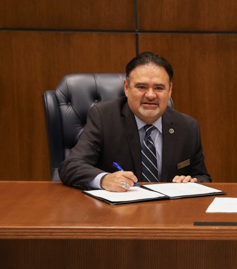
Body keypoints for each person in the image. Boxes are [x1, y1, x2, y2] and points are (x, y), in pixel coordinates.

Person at [59, 52, 211, 191]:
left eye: (159, 88)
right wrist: (104, 179)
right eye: (141, 87)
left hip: (169, 213)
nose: (151, 95)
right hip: (117, 213)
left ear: (170, 90)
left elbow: (203, 177)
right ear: (126, 87)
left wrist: (192, 182)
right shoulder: (104, 118)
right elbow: (70, 166)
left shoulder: (188, 127)